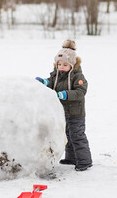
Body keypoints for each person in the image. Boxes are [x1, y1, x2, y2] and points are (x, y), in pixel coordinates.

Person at [36, 40, 93, 171]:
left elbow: (80, 92)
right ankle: (72, 158)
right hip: (62, 112)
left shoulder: (77, 76)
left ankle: (85, 161)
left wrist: (66, 94)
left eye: (65, 64)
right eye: (59, 64)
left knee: (77, 136)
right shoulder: (57, 74)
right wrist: (45, 82)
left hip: (75, 113)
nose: (61, 67)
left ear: (72, 65)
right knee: (67, 135)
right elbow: (51, 82)